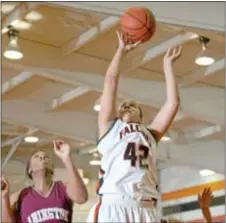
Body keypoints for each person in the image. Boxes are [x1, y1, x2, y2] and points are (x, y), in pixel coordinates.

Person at [87, 31, 182, 223]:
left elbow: (172, 104)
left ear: (142, 117)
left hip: (146, 208)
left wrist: (167, 67)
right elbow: (110, 82)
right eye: (123, 105)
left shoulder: (150, 134)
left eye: (133, 105)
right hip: (114, 204)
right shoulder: (109, 128)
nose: (127, 105)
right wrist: (120, 51)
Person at [2, 140, 88, 223]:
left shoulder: (64, 188)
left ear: (52, 168)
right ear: (30, 170)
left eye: (46, 157)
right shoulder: (19, 196)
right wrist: (4, 197)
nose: (42, 158)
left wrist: (67, 159)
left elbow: (82, 198)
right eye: (37, 157)